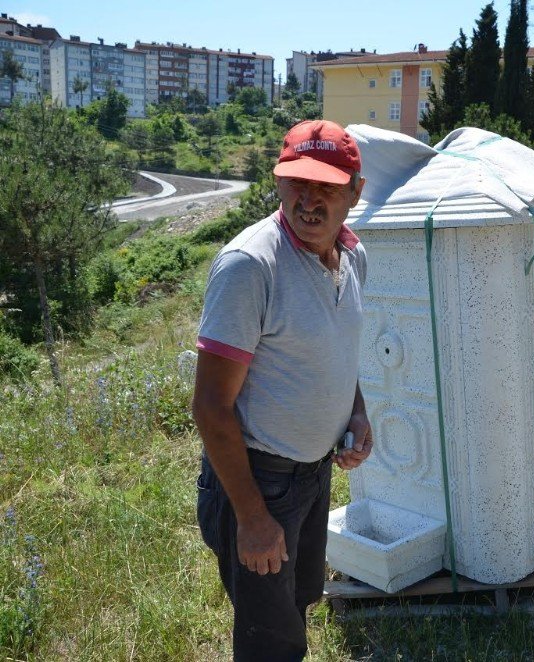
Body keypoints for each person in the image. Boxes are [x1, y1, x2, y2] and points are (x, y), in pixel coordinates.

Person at [192, 119, 374, 661]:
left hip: (313, 475)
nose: (310, 200)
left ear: (355, 192)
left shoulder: (353, 255)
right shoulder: (251, 267)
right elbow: (210, 407)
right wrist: (251, 518)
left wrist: (356, 414)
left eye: (326, 187)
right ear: (278, 183)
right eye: (298, 183)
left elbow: (338, 350)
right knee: (271, 643)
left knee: (297, 602)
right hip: (259, 481)